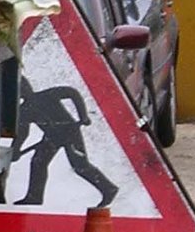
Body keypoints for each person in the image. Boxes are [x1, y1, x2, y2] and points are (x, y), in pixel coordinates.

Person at [10, 79, 118, 208]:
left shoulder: (47, 95)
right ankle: (35, 196)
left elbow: (72, 93)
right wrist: (15, 150)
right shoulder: (24, 110)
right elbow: (22, 133)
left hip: (70, 132)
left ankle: (108, 189)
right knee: (38, 162)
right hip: (51, 137)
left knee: (80, 165)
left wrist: (83, 116)